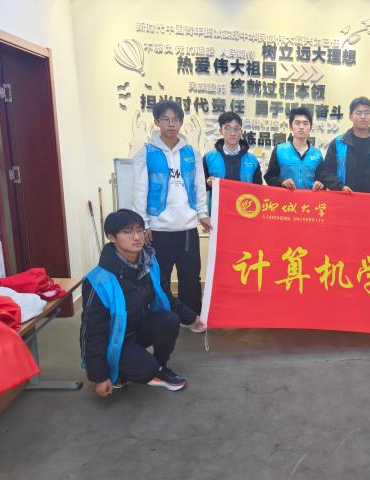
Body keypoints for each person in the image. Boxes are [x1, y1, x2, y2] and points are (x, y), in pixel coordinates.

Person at [80, 209, 204, 397]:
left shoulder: (149, 263)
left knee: (169, 320)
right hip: (115, 340)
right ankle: (123, 370)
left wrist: (191, 318)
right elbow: (92, 332)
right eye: (127, 232)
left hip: (138, 329)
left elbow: (166, 297)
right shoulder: (99, 281)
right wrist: (99, 376)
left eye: (139, 230)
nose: (137, 237)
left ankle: (159, 366)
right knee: (146, 370)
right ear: (112, 237)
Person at [132, 100, 210, 321]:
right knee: (160, 277)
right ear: (157, 122)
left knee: (190, 276)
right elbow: (139, 191)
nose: (171, 124)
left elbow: (199, 187)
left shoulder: (191, 153)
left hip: (187, 227)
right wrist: (143, 224)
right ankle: (160, 319)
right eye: (165, 119)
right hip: (158, 229)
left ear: (181, 122)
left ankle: (191, 317)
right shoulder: (146, 153)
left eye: (175, 119)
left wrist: (202, 214)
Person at [319, 96, 370, 194]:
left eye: (367, 112)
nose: (363, 116)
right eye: (358, 113)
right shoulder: (338, 143)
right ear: (350, 116)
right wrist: (340, 187)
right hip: (344, 198)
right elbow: (326, 172)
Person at [203, 111, 262, 211]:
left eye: (236, 129)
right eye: (227, 128)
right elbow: (199, 186)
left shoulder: (252, 160)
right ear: (221, 131)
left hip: (245, 212)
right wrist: (207, 184)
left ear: (241, 131)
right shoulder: (209, 158)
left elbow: (259, 190)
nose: (233, 133)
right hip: (217, 213)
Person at [264, 107, 325, 190]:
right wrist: (282, 182)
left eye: (305, 123)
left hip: (309, 198)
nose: (301, 127)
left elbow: (323, 180)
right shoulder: (279, 150)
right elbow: (269, 177)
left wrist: (321, 185)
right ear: (290, 126)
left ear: (310, 127)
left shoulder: (317, 154)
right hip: (285, 198)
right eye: (297, 123)